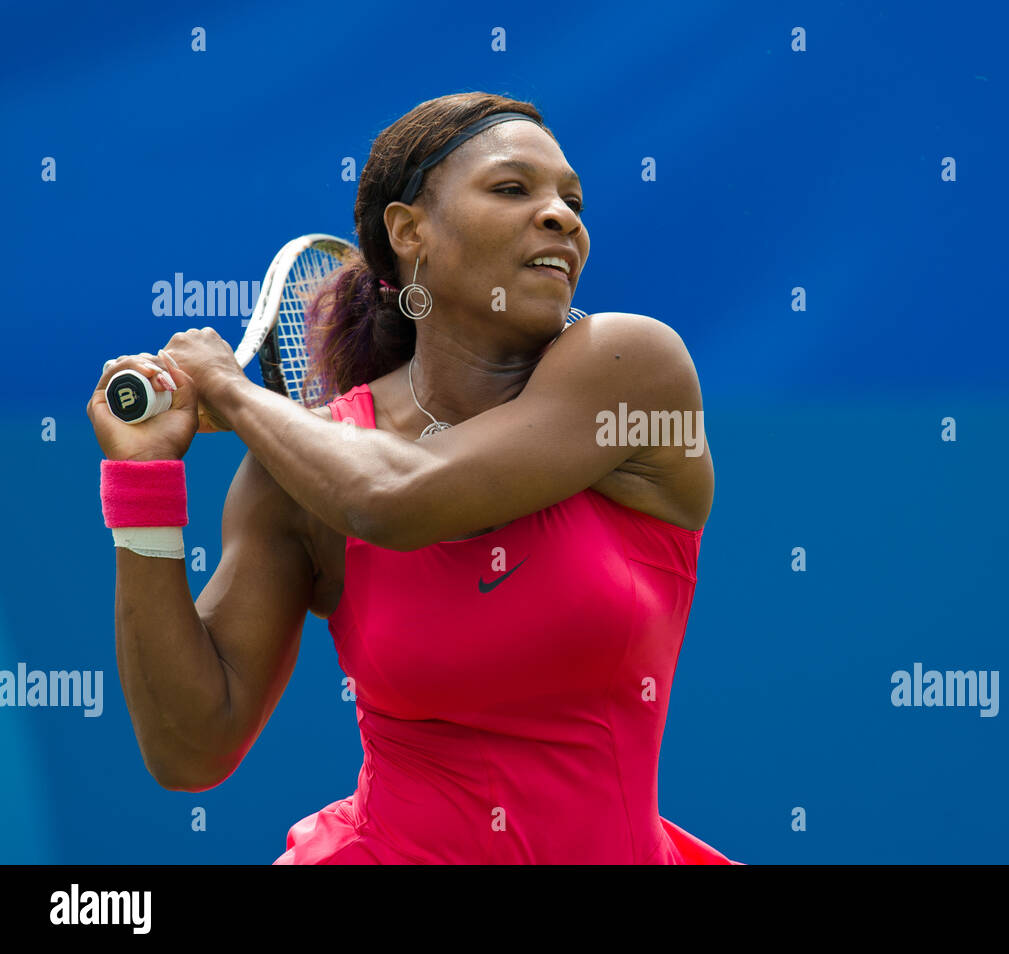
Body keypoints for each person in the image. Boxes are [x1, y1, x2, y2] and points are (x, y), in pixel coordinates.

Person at [88, 91, 740, 864]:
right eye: (512, 188)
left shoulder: (635, 369)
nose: (562, 217)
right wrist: (145, 491)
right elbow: (191, 749)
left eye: (572, 200)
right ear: (409, 232)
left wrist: (230, 389)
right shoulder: (301, 471)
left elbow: (395, 497)